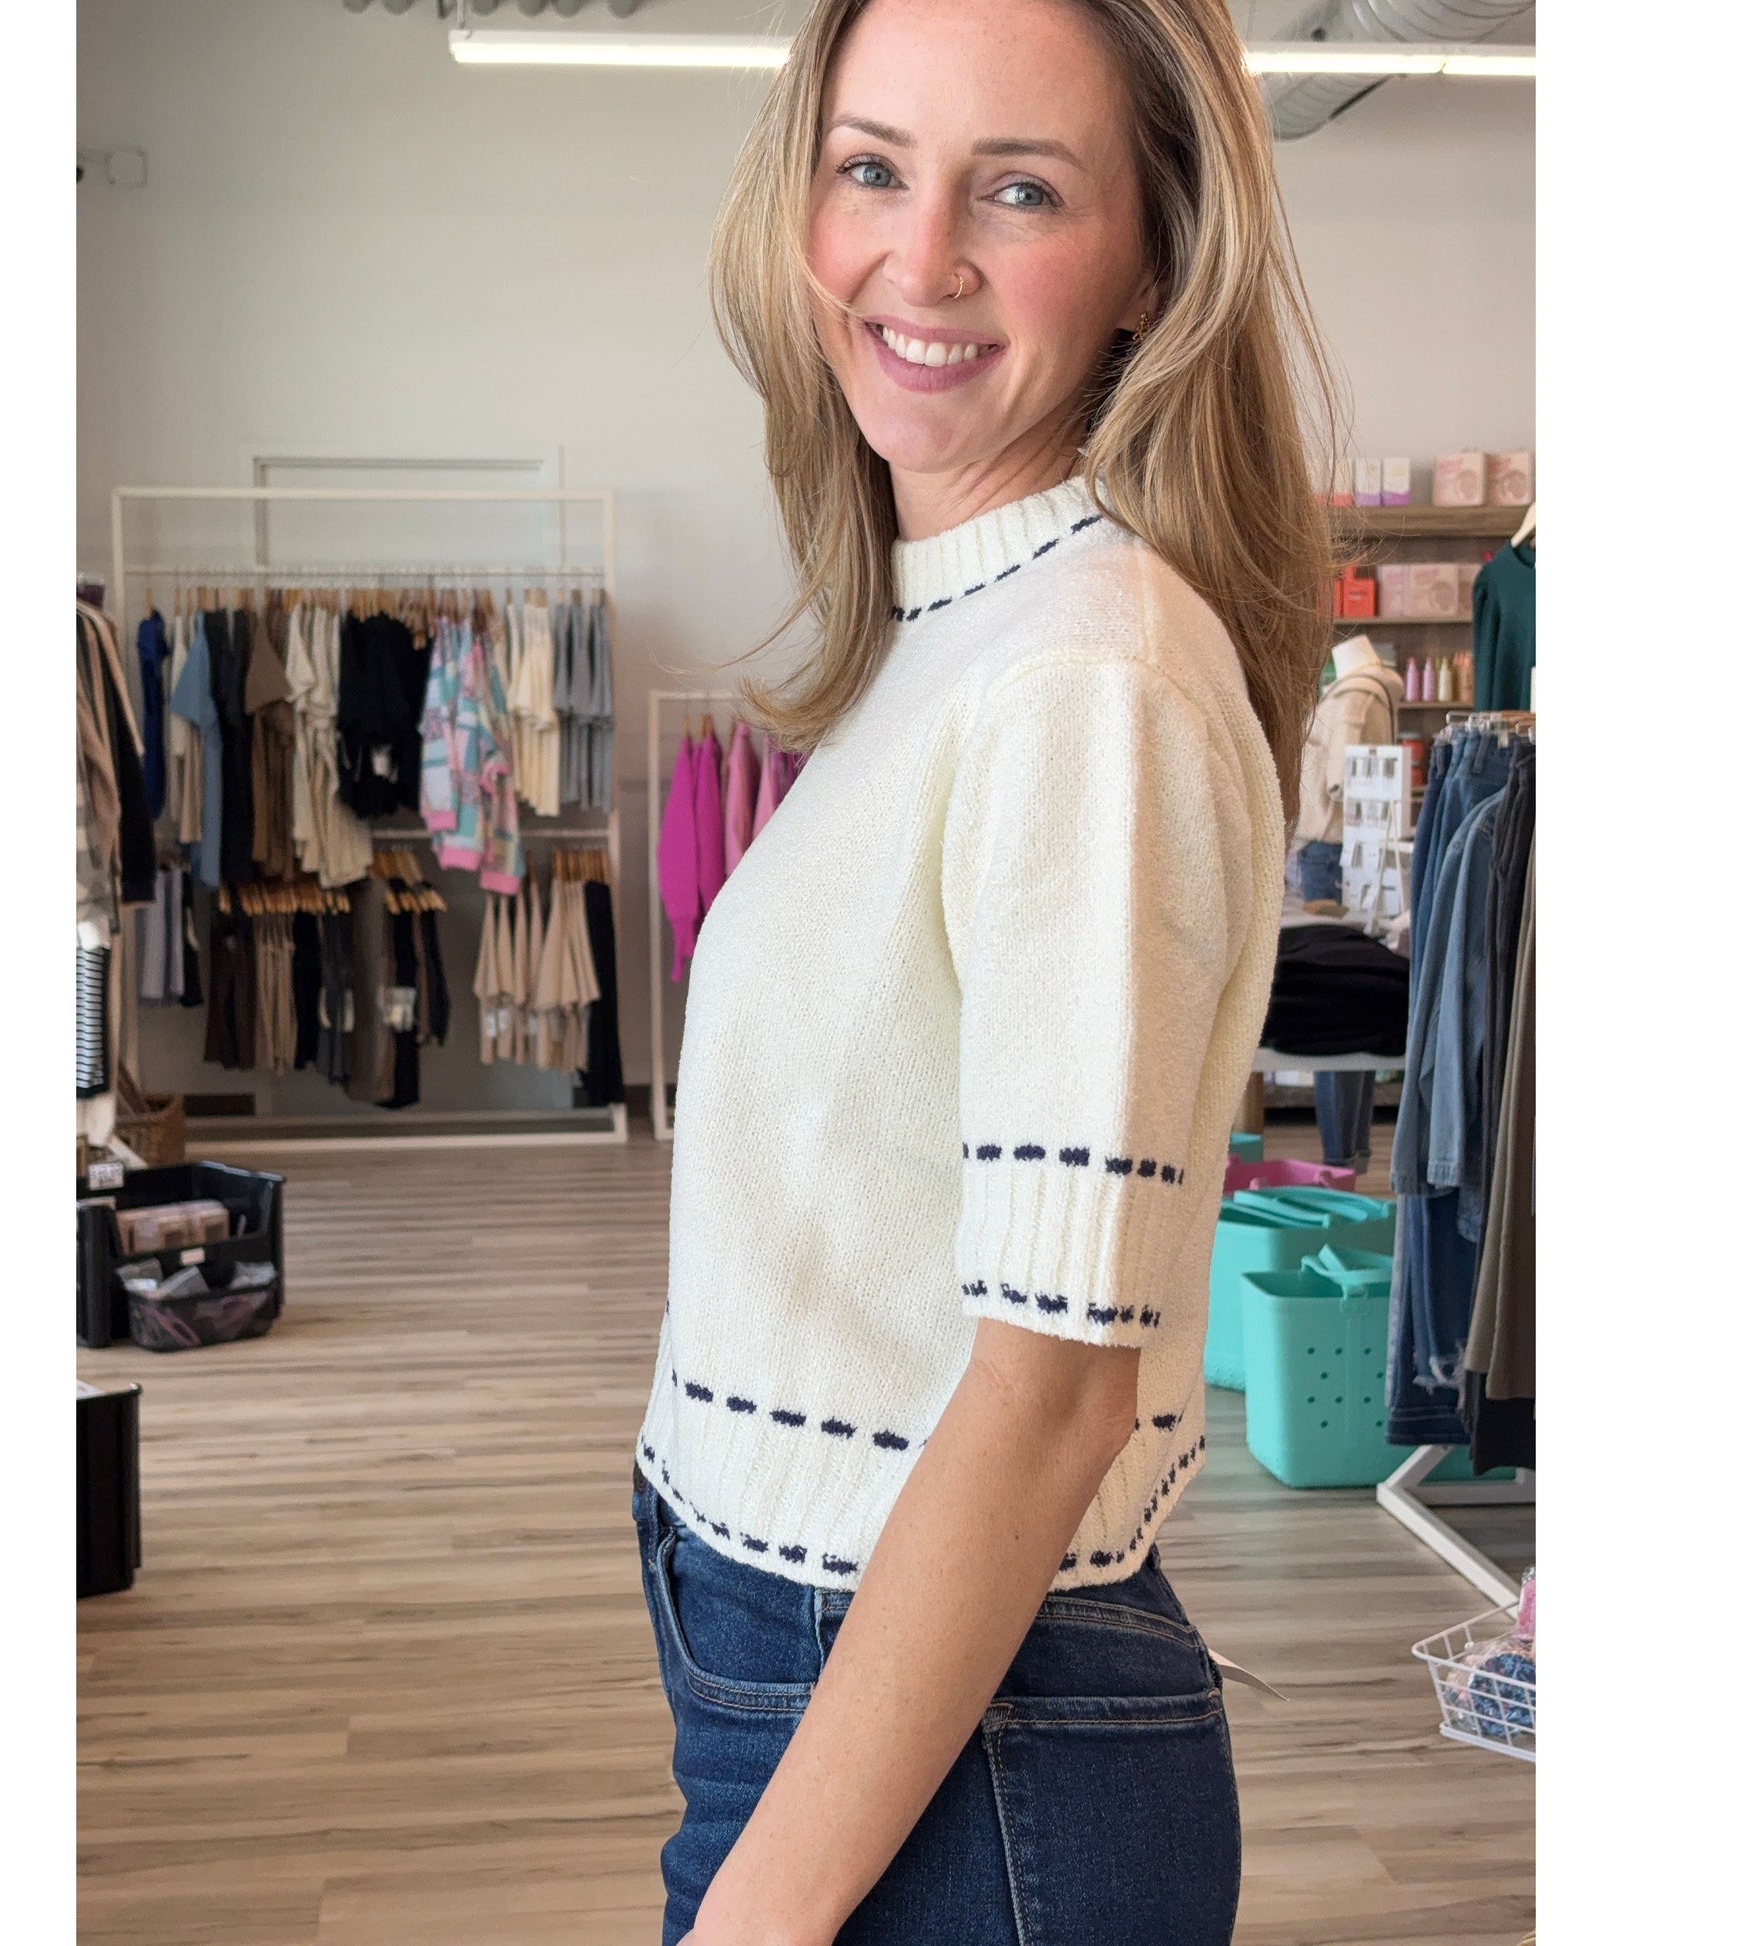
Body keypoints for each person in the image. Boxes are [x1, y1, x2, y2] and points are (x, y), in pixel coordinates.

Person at [631, 2, 1335, 1939]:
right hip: (847, 1690)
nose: (916, 255)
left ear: (1152, 263)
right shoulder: (952, 629)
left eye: (1016, 190)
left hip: (963, 1740)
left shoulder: (1083, 672)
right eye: (870, 167)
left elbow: (1047, 1394)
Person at [1293, 632, 1405, 1172]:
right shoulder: (1371, 690)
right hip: (1356, 852)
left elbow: (1340, 781)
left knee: (1331, 1009)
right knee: (1354, 1000)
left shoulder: (1354, 697)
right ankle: (1350, 1152)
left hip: (1332, 853)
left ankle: (1338, 1155)